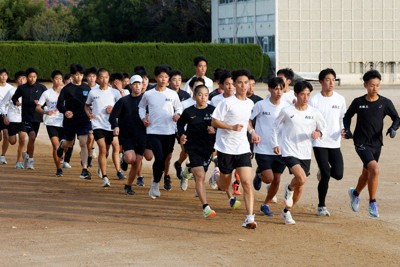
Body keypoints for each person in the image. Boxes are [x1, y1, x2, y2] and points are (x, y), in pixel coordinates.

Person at [344, 69, 399, 218]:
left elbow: (396, 118)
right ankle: (372, 203)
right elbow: (347, 116)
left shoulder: (385, 102)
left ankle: (355, 193)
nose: (374, 88)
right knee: (374, 169)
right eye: (371, 85)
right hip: (361, 142)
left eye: (377, 85)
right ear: (365, 85)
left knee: (366, 173)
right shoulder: (358, 102)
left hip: (377, 144)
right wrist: (347, 131)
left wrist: (393, 128)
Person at [211, 69, 260, 229]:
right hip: (226, 148)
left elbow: (247, 122)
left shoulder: (250, 103)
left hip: (242, 148)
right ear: (234, 84)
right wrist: (231, 127)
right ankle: (216, 175)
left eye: (246, 82)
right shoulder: (226, 102)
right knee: (225, 186)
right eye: (240, 82)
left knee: (246, 182)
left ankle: (250, 218)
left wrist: (252, 132)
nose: (243, 85)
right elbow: (214, 122)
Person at [272, 80, 326, 225]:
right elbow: (275, 127)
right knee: (301, 178)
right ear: (296, 94)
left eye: (308, 94)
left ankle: (286, 212)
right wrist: (276, 144)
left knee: (300, 186)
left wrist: (318, 133)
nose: (306, 97)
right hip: (289, 150)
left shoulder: (314, 112)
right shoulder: (287, 111)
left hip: (305, 153)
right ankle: (288, 188)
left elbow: (323, 128)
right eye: (302, 94)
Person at [138, 65, 183, 198]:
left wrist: (177, 115)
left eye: (166, 77)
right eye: (161, 77)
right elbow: (141, 108)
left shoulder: (172, 94)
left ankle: (156, 180)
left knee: (164, 160)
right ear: (156, 78)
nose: (163, 79)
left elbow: (179, 108)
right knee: (159, 157)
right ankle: (156, 184)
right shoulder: (148, 94)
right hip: (153, 131)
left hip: (169, 131)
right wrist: (143, 118)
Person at [309, 68, 346, 216]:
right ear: (321, 82)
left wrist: (344, 129)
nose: (331, 83)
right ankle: (321, 206)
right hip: (319, 141)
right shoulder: (314, 100)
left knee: (338, 174)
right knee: (326, 174)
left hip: (335, 141)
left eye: (333, 80)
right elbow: (310, 118)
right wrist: (315, 131)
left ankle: (323, 172)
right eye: (328, 80)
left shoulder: (340, 99)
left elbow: (343, 118)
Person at [251, 77, 289, 216]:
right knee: (269, 179)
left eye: (281, 88)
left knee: (277, 179)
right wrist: (253, 132)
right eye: (276, 88)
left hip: (280, 148)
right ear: (270, 89)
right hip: (263, 147)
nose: (279, 91)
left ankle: (265, 204)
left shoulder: (287, 105)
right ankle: (260, 174)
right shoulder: (261, 105)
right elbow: (249, 120)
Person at [177, 85, 217, 218]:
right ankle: (206, 207)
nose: (203, 97)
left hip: (208, 148)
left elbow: (220, 126)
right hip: (193, 147)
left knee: (202, 174)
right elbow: (180, 124)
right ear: (194, 96)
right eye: (200, 94)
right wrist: (181, 135)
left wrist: (215, 130)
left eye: (206, 95)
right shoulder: (188, 111)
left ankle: (187, 171)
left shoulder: (213, 110)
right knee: (200, 175)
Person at [110, 75, 151, 195]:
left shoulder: (146, 100)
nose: (137, 86)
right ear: (131, 86)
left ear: (142, 85)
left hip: (142, 135)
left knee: (137, 162)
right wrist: (116, 126)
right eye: (135, 84)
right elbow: (113, 116)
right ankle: (124, 156)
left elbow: (152, 114)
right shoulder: (124, 101)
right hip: (127, 135)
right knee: (130, 159)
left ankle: (128, 185)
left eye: (139, 84)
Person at [85, 68, 125, 187]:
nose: (104, 80)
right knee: (102, 149)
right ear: (97, 79)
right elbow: (86, 106)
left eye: (106, 77)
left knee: (107, 150)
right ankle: (105, 177)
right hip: (97, 125)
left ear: (109, 78)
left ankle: (101, 166)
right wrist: (89, 114)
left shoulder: (114, 92)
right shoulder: (93, 92)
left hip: (111, 125)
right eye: (101, 77)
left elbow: (123, 106)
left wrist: (113, 111)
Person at [56, 64, 92, 180]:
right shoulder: (66, 89)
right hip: (70, 121)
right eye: (76, 75)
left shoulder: (87, 88)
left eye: (81, 75)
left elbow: (91, 103)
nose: (79, 77)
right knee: (69, 143)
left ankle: (85, 169)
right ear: (72, 76)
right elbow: (59, 104)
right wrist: (65, 111)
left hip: (84, 120)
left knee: (83, 142)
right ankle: (62, 145)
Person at [209, 70, 242, 195]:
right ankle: (218, 174)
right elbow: (211, 117)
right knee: (221, 161)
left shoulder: (242, 100)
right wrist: (211, 127)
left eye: (233, 84)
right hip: (219, 133)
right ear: (222, 85)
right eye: (227, 84)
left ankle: (235, 183)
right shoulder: (215, 99)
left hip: (237, 136)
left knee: (240, 164)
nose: (230, 87)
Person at [11, 67, 47, 169]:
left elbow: (47, 100)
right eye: (30, 77)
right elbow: (14, 97)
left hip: (37, 117)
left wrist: (41, 105)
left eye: (34, 77)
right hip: (26, 117)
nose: (32, 79)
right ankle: (31, 160)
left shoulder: (42, 88)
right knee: (31, 135)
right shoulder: (22, 88)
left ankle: (27, 155)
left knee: (33, 138)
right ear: (27, 77)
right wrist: (16, 102)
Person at [36, 70, 65, 177]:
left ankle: (62, 156)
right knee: (56, 145)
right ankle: (58, 169)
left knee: (64, 146)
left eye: (60, 79)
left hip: (64, 122)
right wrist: (45, 111)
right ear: (52, 79)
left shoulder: (66, 92)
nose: (58, 81)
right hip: (51, 122)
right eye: (56, 78)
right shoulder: (46, 93)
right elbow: (38, 107)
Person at [0, 71, 27, 168]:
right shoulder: (11, 91)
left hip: (23, 119)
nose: (22, 80)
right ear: (16, 81)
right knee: (12, 141)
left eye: (23, 78)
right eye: (19, 79)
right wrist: (5, 115)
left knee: (23, 139)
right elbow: (3, 104)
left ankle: (19, 161)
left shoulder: (28, 92)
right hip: (12, 119)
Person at [0, 68, 14, 164]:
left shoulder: (11, 88)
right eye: (1, 75)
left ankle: (2, 156)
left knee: (6, 134)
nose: (4, 76)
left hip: (6, 114)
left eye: (5, 75)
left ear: (7, 76)